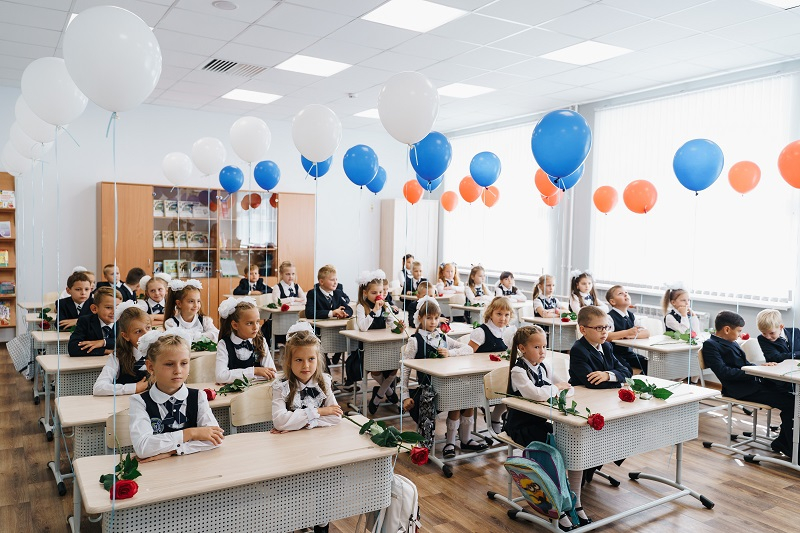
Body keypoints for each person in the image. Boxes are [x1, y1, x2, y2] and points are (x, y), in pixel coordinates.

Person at [504, 325, 584, 530]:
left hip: (540, 422)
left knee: (573, 442)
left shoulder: (544, 367)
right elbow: (535, 394)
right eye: (537, 347)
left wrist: (555, 389)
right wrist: (555, 389)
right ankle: (554, 506)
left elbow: (568, 388)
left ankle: (572, 501)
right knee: (553, 451)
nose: (542, 351)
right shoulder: (518, 371)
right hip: (520, 427)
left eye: (544, 347)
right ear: (522, 348)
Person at [271, 322, 342, 533]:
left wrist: (299, 423)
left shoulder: (324, 382)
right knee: (295, 496)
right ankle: (297, 524)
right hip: (290, 453)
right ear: (288, 361)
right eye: (299, 360)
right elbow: (279, 421)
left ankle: (321, 525)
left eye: (311, 359)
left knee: (322, 493)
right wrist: (319, 412)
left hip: (320, 450)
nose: (306, 366)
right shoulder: (281, 386)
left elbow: (336, 417)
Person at [703, 311, 795, 458]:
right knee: (791, 404)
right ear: (727, 329)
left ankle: (784, 441)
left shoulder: (731, 342)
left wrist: (761, 368)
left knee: (794, 398)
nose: (741, 334)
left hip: (753, 383)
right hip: (739, 389)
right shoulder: (711, 345)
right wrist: (753, 372)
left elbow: (745, 364)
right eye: (739, 331)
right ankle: (787, 444)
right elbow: (724, 372)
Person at [401, 297, 480, 458]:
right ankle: (448, 443)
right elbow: (405, 369)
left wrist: (450, 353)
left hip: (447, 384)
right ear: (420, 318)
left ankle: (464, 439)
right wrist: (404, 396)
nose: (433, 322)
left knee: (468, 396)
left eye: (436, 318)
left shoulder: (442, 337)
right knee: (458, 398)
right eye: (429, 318)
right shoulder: (414, 341)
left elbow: (468, 349)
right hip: (428, 389)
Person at [129, 330, 223, 460]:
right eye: (169, 364)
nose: (178, 371)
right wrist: (191, 433)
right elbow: (143, 447)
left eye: (184, 363)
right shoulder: (139, 402)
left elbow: (215, 439)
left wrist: (175, 451)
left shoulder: (198, 397)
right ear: (150, 367)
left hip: (194, 465)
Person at [355, 271, 403, 415]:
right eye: (374, 293)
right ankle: (388, 392)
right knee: (375, 370)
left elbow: (391, 323)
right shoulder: (361, 307)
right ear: (365, 293)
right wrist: (374, 311)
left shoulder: (385, 306)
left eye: (381, 292)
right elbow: (363, 327)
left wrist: (398, 326)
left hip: (385, 344)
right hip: (369, 347)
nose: (378, 295)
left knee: (395, 367)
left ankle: (379, 395)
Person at [469, 297, 517, 432]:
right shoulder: (481, 332)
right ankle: (495, 419)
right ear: (490, 313)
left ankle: (495, 417)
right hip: (481, 376)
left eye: (507, 315)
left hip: (500, 374)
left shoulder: (509, 331)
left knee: (513, 389)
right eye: (499, 314)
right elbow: (468, 355)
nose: (503, 318)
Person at [93, 301, 151, 395]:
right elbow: (98, 388)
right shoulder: (118, 356)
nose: (146, 334)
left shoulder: (160, 352)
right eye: (138, 331)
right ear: (125, 336)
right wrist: (134, 388)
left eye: (148, 328)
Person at [215, 297, 276, 384]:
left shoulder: (261, 341)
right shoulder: (224, 344)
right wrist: (254, 371)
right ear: (235, 325)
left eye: (257, 322)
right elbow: (220, 377)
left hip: (257, 390)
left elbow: (272, 373)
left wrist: (231, 377)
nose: (255, 327)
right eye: (249, 323)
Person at [569, 306, 632, 389]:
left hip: (604, 393)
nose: (604, 332)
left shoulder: (606, 346)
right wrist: (621, 384)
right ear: (583, 330)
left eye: (606, 327)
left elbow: (626, 372)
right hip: (583, 393)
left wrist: (607, 375)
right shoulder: (578, 350)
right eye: (599, 328)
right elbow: (592, 382)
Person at [605, 285, 649, 374]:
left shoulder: (631, 316)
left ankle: (641, 380)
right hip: (614, 354)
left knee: (648, 364)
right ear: (612, 301)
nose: (625, 295)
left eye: (626, 293)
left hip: (628, 353)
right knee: (626, 370)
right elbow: (607, 336)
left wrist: (631, 336)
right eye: (620, 293)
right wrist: (627, 333)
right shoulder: (609, 317)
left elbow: (646, 333)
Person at [67, 286, 122, 357]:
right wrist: (106, 351)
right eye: (108, 307)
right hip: (92, 362)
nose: (114, 312)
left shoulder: (124, 322)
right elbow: (73, 348)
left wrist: (103, 342)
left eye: (118, 307)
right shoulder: (85, 321)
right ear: (94, 309)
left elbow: (127, 344)